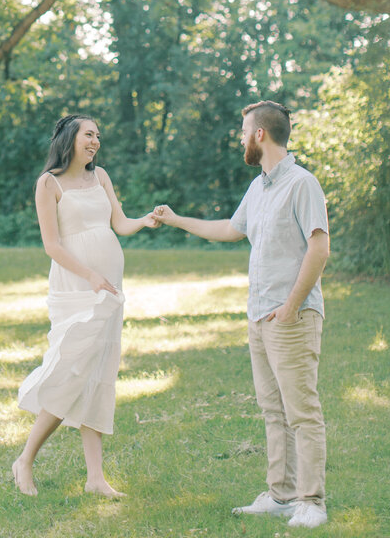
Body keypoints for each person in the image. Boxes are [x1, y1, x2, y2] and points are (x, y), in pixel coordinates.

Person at [154, 100, 329, 530]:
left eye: (242, 131)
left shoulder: (302, 184)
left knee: (302, 412)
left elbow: (319, 248)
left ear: (260, 135)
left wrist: (290, 307)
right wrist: (176, 220)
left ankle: (312, 502)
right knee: (273, 410)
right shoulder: (259, 187)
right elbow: (231, 230)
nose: (240, 139)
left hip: (291, 317)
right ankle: (281, 495)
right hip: (259, 318)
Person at [13, 113, 159, 498]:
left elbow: (120, 223)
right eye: (88, 135)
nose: (95, 141)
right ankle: (25, 459)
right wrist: (91, 276)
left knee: (98, 375)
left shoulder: (102, 177)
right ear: (69, 139)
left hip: (109, 289)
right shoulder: (49, 183)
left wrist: (145, 220)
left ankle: (95, 477)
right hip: (76, 284)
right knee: (71, 373)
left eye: (98, 136)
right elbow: (52, 245)